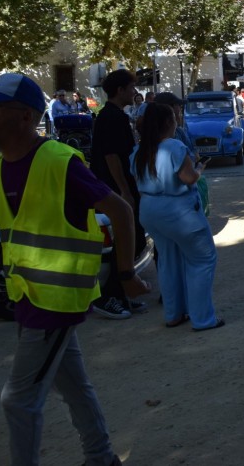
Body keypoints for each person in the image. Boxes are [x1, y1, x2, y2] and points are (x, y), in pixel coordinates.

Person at [0, 73, 149, 466]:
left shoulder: (58, 161)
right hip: (29, 298)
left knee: (18, 400)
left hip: (54, 303)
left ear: (23, 116)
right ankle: (101, 457)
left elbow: (120, 209)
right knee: (73, 386)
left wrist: (125, 273)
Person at [130, 103, 221, 331]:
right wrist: (199, 170)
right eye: (174, 116)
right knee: (202, 260)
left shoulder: (138, 150)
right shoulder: (173, 147)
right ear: (168, 123)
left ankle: (174, 313)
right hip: (179, 210)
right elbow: (189, 178)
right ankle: (202, 318)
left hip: (150, 209)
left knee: (168, 262)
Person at [90, 69, 146, 320]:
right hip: (114, 189)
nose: (135, 92)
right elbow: (111, 156)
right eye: (132, 87)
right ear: (120, 90)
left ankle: (123, 291)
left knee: (135, 240)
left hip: (118, 186)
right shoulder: (111, 117)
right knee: (127, 239)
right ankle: (108, 295)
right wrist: (123, 190)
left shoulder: (116, 116)